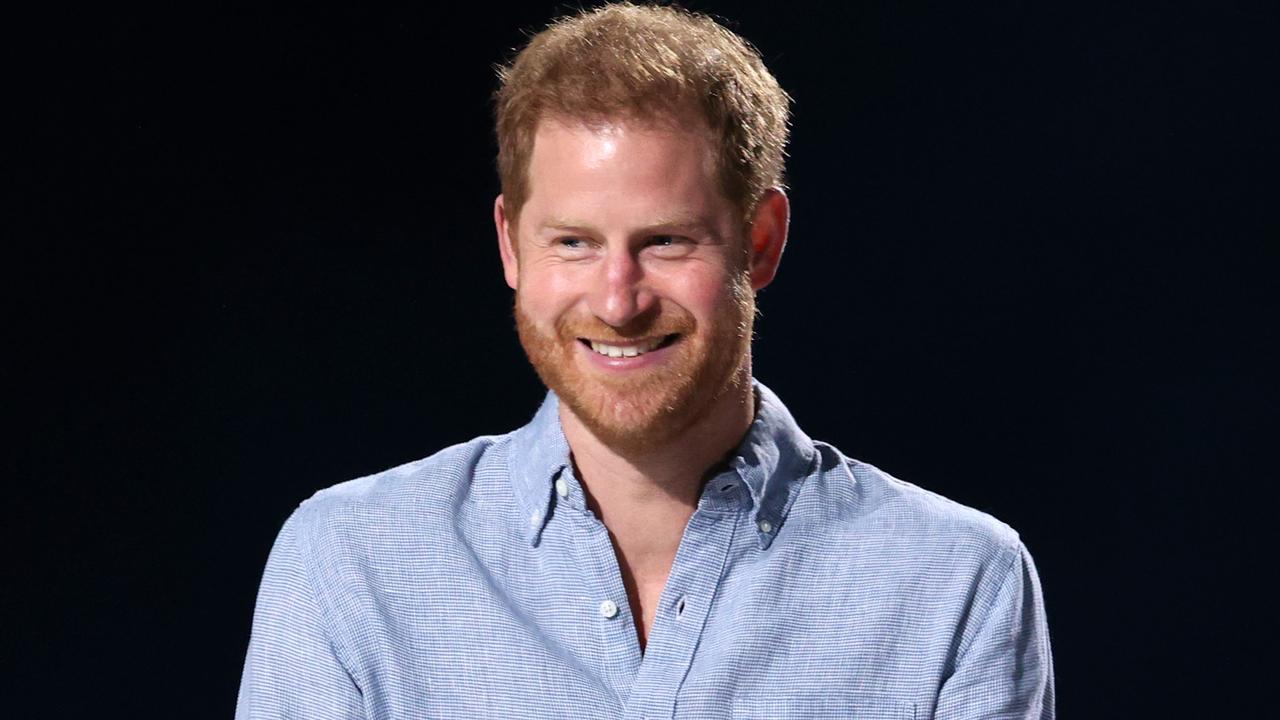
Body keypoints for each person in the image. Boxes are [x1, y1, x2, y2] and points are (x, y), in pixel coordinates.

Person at [236, 3, 1054, 718]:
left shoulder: (954, 583)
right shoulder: (351, 560)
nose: (618, 299)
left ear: (760, 241)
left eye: (665, 241)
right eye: (573, 243)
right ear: (509, 246)